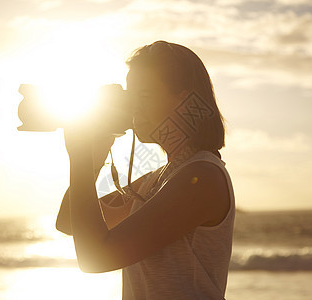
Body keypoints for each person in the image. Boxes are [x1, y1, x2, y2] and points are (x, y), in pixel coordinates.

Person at [56, 40, 235, 299]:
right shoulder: (160, 179)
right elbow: (67, 221)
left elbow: (95, 258)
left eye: (144, 96)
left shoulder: (202, 178)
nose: (133, 108)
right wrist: (96, 153)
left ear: (183, 102)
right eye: (131, 96)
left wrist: (80, 155)